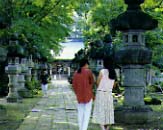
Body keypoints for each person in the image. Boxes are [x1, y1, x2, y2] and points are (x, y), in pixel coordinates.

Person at [92, 57, 116, 130]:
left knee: (101, 111)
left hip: (101, 93)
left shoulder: (102, 71)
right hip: (109, 93)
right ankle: (107, 128)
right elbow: (114, 85)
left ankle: (103, 128)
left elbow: (98, 82)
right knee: (108, 111)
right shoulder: (113, 72)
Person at [72, 58, 94, 130]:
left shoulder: (76, 73)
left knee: (80, 113)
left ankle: (80, 128)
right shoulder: (88, 72)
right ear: (86, 64)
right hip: (88, 95)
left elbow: (74, 85)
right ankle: (84, 128)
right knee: (87, 114)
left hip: (79, 96)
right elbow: (92, 82)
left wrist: (77, 93)